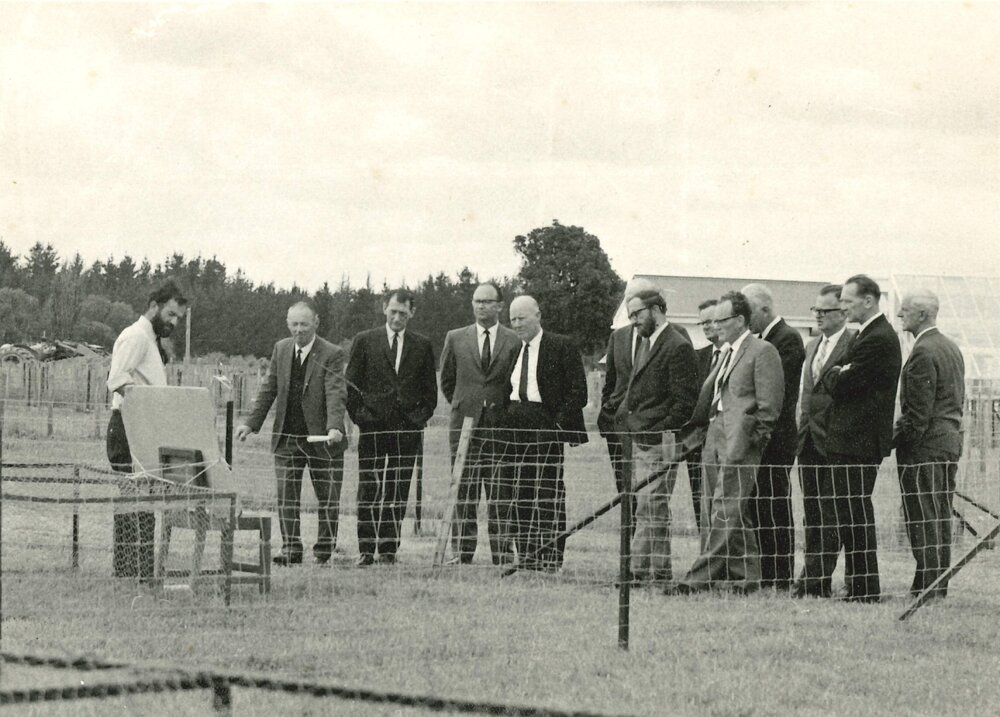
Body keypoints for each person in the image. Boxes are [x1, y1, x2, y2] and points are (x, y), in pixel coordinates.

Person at [678, 291, 784, 594]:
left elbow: (769, 406)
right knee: (725, 508)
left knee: (725, 508)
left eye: (721, 320)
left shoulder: (763, 351)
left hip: (740, 440)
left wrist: (752, 441)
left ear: (740, 320)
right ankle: (746, 577)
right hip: (715, 433)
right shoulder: (727, 352)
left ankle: (699, 577)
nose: (715, 325)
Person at [236, 301, 348, 566]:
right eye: (294, 324)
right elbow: (269, 387)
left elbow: (335, 391)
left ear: (316, 323)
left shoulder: (331, 353)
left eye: (304, 324)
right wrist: (251, 423)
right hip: (287, 437)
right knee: (286, 497)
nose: (299, 330)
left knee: (328, 498)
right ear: (288, 324)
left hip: (322, 439)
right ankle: (290, 549)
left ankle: (323, 550)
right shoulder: (281, 349)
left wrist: (334, 426)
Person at [822, 274, 901, 602]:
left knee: (854, 514)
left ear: (868, 301)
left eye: (848, 301)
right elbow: (833, 372)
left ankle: (865, 588)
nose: (843, 307)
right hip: (853, 442)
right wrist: (838, 372)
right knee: (852, 513)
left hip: (858, 442)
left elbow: (840, 381)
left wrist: (839, 373)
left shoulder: (877, 338)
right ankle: (860, 585)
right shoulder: (866, 335)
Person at [346, 289, 437, 566]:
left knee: (398, 488)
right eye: (393, 311)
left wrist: (416, 419)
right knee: (369, 487)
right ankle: (366, 548)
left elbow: (430, 393)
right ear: (384, 308)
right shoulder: (365, 340)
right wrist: (362, 416)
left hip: (406, 430)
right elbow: (351, 386)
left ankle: (388, 549)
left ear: (412, 313)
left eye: (403, 312)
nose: (397, 317)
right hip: (373, 427)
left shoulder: (422, 345)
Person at [615, 289, 698, 586]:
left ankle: (635, 572)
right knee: (653, 505)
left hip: (660, 440)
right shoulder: (646, 343)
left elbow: (684, 402)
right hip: (641, 439)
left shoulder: (677, 345)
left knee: (649, 504)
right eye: (631, 315)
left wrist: (658, 429)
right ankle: (659, 571)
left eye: (637, 313)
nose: (633, 321)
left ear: (656, 309)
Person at [106, 280, 188, 580]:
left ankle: (136, 572)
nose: (174, 322)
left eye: (178, 317)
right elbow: (117, 379)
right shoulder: (135, 337)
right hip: (128, 426)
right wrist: (146, 410)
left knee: (142, 500)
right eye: (170, 314)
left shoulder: (151, 340)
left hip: (144, 426)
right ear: (153, 306)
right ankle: (131, 573)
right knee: (134, 500)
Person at [499, 295, 587, 572]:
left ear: (538, 315)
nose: (516, 324)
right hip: (515, 428)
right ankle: (527, 555)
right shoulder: (515, 350)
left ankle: (549, 557)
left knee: (547, 493)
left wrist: (558, 425)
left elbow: (578, 392)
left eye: (521, 318)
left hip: (546, 427)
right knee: (519, 492)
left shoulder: (561, 346)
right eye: (512, 319)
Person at [439, 282, 520, 565]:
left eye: (487, 301)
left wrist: (498, 406)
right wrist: (467, 404)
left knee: (501, 492)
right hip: (464, 427)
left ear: (500, 305)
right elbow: (447, 382)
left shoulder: (513, 340)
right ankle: (462, 552)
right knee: (464, 491)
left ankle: (502, 553)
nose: (481, 306)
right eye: (477, 301)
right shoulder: (455, 337)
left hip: (500, 427)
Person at [894, 289, 965, 599]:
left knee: (922, 515)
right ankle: (934, 584)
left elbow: (916, 414)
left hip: (924, 446)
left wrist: (889, 442)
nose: (899, 315)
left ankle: (928, 586)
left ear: (921, 315)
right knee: (938, 514)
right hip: (948, 441)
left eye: (905, 310)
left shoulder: (923, 351)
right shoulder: (950, 347)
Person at [742, 283, 805, 591]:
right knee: (760, 507)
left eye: (749, 312)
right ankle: (766, 572)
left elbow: (775, 390)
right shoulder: (762, 339)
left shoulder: (787, 340)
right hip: (763, 436)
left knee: (775, 507)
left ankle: (779, 575)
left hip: (777, 438)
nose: (744, 319)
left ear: (764, 310)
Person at [793, 285, 855, 598]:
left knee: (831, 516)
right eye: (815, 310)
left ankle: (816, 580)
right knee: (812, 515)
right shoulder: (812, 345)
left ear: (843, 312)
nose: (818, 316)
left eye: (825, 311)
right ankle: (811, 576)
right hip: (808, 444)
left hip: (834, 444)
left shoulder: (854, 343)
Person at [687, 299, 725, 530]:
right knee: (700, 500)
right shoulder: (697, 357)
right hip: (698, 444)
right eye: (703, 323)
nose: (707, 327)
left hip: (724, 442)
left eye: (712, 321)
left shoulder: (735, 355)